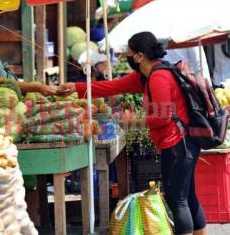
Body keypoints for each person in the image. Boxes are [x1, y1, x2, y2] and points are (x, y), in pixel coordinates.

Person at [58, 32, 207, 235]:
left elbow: (163, 117)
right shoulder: (145, 76)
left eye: (128, 51)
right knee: (187, 197)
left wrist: (133, 121)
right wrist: (74, 88)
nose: (126, 56)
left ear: (139, 56)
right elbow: (110, 86)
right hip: (181, 143)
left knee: (178, 199)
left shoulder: (158, 77)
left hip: (177, 145)